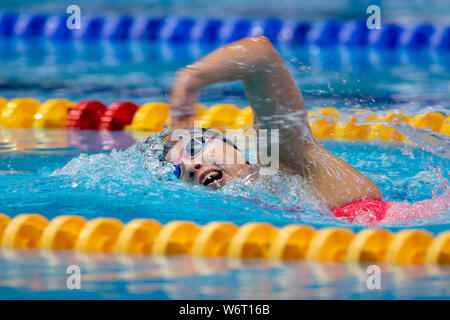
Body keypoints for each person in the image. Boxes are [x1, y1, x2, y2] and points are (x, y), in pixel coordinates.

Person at [152, 35, 446, 223]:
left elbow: (261, 55)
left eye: (193, 148)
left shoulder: (281, 164)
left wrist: (192, 77)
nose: (190, 164)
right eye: (179, 170)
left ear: (229, 144)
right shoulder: (255, 209)